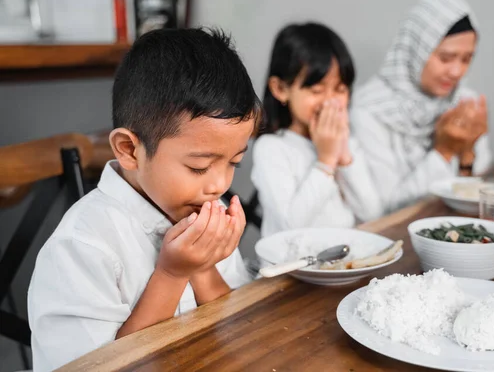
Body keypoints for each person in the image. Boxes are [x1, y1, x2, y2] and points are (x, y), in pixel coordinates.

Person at [27, 28, 261, 371]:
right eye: (199, 167)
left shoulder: (209, 213)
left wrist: (205, 267)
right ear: (129, 150)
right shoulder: (82, 247)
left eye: (234, 163)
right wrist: (171, 274)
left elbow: (236, 330)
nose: (220, 184)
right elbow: (95, 366)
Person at [352, 0, 491, 213]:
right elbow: (388, 207)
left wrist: (467, 152)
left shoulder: (465, 101)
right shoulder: (370, 110)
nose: (457, 72)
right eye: (445, 58)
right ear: (416, 50)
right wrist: (444, 151)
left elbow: (479, 189)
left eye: (466, 59)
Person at [251, 22, 383, 237]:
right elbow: (289, 226)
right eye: (316, 90)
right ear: (281, 89)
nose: (330, 101)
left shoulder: (343, 140)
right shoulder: (271, 148)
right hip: (291, 266)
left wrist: (345, 156)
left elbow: (371, 212)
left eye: (340, 89)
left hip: (340, 261)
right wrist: (326, 162)